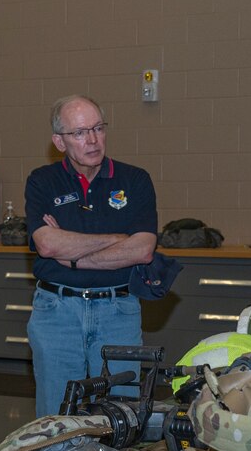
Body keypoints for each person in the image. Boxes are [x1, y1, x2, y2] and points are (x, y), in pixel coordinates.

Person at [23, 96, 158, 418]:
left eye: (98, 128)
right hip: (57, 312)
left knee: (122, 414)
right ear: (59, 141)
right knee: (56, 418)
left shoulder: (135, 180)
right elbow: (48, 246)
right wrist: (117, 239)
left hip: (118, 310)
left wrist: (71, 255)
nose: (93, 140)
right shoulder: (42, 181)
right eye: (81, 132)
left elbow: (142, 250)